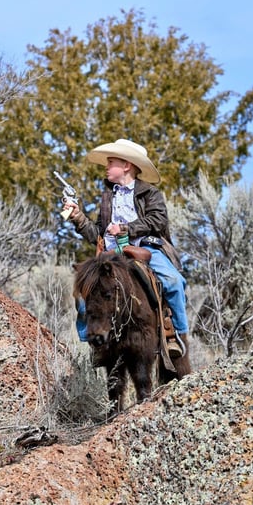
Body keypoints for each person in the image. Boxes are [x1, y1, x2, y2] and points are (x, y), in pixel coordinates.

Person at [64, 138, 189, 358]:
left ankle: (176, 335)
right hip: (110, 255)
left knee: (174, 282)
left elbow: (158, 220)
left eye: (111, 162)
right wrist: (78, 218)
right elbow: (98, 234)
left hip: (145, 249)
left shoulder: (150, 193)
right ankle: (93, 344)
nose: (106, 166)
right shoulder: (107, 196)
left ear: (126, 165)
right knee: (83, 294)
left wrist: (125, 228)